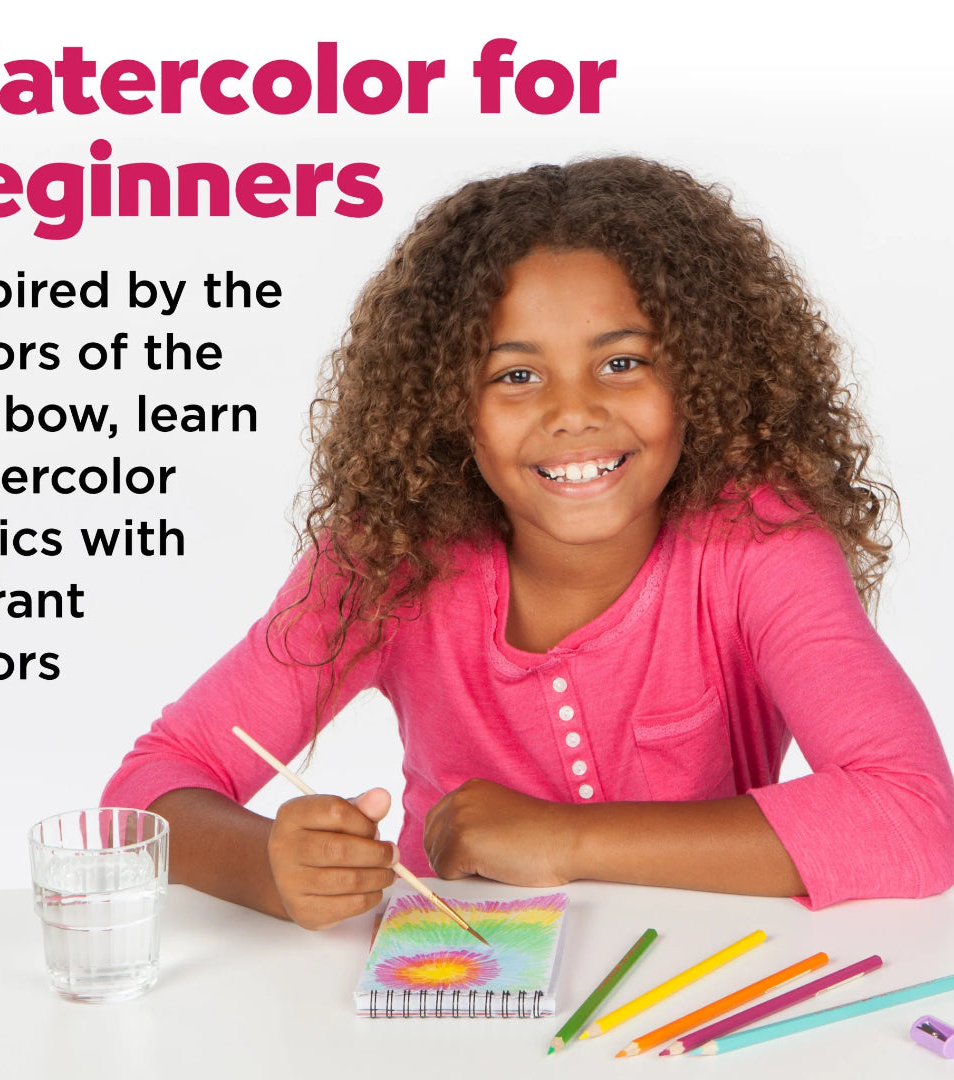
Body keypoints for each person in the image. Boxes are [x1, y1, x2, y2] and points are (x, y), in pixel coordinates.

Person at [102, 156, 954, 926]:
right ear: (445, 406)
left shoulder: (756, 543)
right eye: (516, 375)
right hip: (456, 998)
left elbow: (914, 817)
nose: (573, 412)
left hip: (690, 997)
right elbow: (149, 790)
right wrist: (268, 868)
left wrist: (566, 839)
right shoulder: (393, 558)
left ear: (700, 374)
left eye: (622, 362)